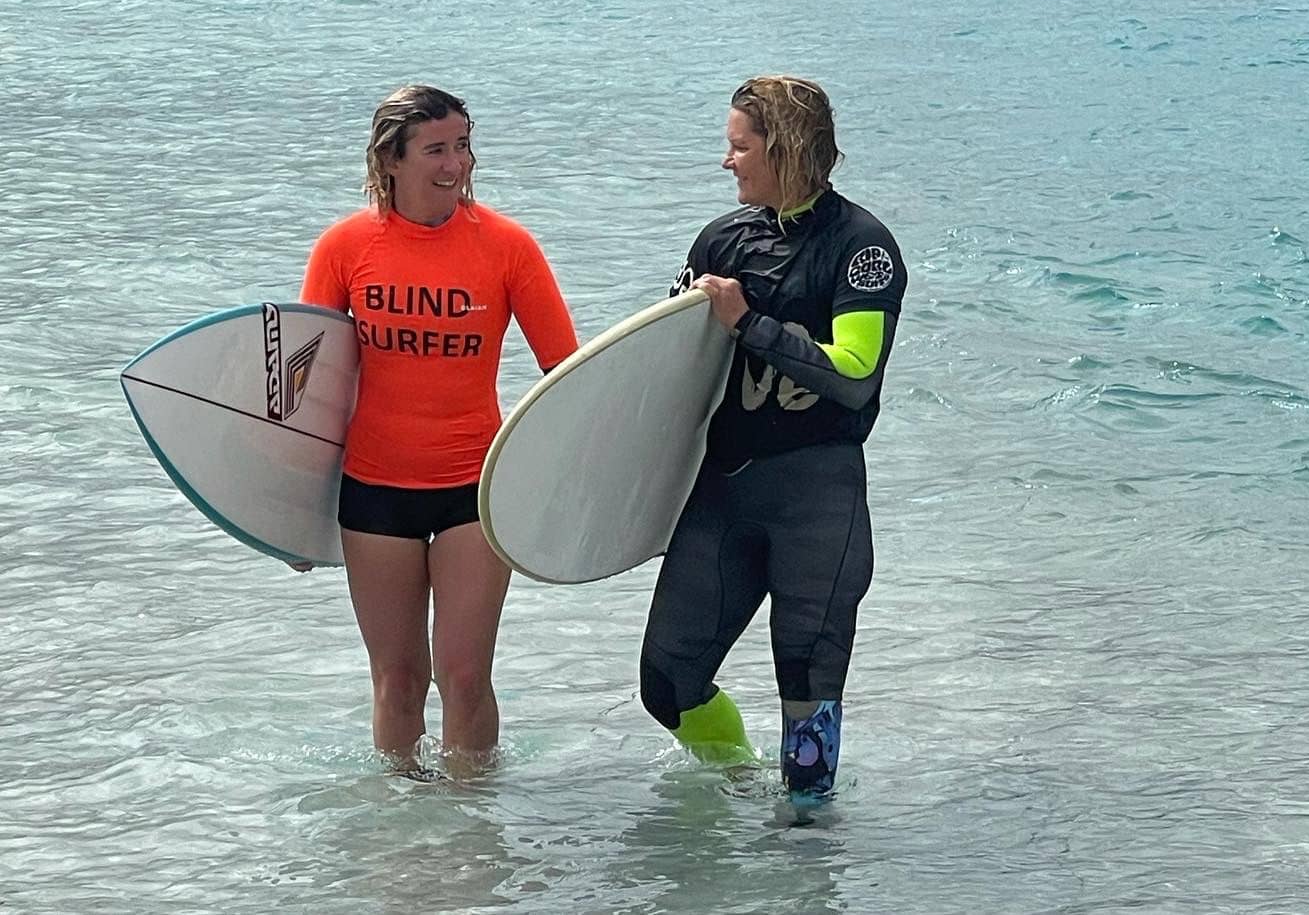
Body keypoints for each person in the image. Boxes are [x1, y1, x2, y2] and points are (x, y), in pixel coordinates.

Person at [298, 84, 579, 777]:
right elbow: (310, 390)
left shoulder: (507, 247)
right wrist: (289, 517)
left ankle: (472, 821)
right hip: (374, 491)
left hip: (475, 491)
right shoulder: (345, 247)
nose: (456, 163)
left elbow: (567, 377)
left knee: (462, 673)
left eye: (462, 146)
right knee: (398, 677)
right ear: (391, 159)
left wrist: (572, 489)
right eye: (436, 149)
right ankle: (403, 828)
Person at [639, 75, 907, 801]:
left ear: (782, 148)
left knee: (807, 698)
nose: (726, 161)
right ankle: (739, 782)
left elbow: (854, 374)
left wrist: (748, 324)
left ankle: (806, 857)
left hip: (818, 502)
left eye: (739, 146)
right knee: (667, 682)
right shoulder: (722, 240)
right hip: (725, 493)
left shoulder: (862, 248)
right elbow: (664, 366)